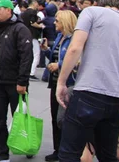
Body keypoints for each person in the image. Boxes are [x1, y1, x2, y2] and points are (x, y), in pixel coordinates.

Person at [56, 0, 119, 161]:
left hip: (90, 91)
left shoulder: (92, 12)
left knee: (69, 153)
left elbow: (75, 48)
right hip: (118, 97)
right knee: (108, 154)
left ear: (101, 4)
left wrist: (61, 82)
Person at [0, 0, 33, 162]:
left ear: (8, 10)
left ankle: (27, 144)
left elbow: (26, 57)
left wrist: (22, 82)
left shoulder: (21, 29)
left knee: (20, 116)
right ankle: (1, 152)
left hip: (14, 83)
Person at [40, 10, 77, 162]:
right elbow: (55, 58)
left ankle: (67, 149)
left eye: (57, 20)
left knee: (64, 119)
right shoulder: (60, 37)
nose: (54, 23)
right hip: (55, 83)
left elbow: (76, 59)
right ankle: (58, 149)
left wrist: (59, 65)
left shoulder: (74, 39)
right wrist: (47, 51)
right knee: (56, 118)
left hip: (68, 84)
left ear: (66, 22)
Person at [19, 0, 43, 80]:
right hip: (33, 35)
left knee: (27, 54)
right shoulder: (32, 12)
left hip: (25, 35)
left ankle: (27, 70)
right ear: (34, 3)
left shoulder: (23, 13)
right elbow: (32, 23)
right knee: (36, 54)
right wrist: (41, 26)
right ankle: (32, 72)